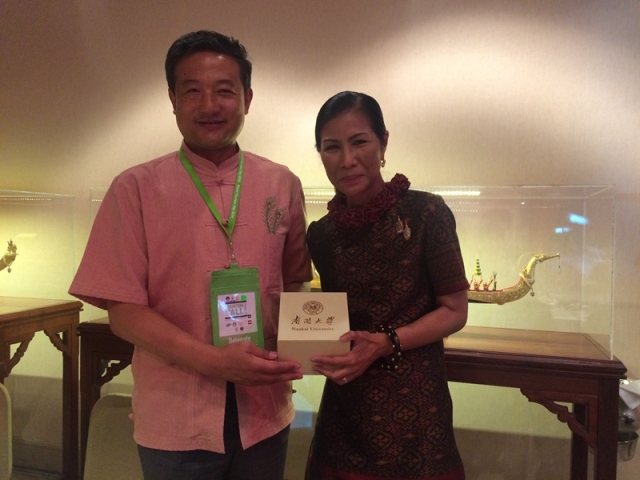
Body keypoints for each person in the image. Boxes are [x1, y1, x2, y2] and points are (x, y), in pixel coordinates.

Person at [69, 30, 312, 480]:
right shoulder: (135, 188)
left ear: (247, 98)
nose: (209, 105)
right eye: (193, 91)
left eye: (225, 90)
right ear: (173, 99)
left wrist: (315, 346)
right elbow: (123, 311)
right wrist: (214, 361)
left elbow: (295, 281)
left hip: (264, 409)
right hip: (175, 413)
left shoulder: (282, 184)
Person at [305, 91, 469, 480]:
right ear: (321, 154)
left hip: (417, 408)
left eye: (359, 142)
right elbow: (327, 321)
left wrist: (384, 342)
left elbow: (455, 310)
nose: (347, 159)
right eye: (332, 147)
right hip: (346, 407)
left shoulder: (427, 213)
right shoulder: (321, 234)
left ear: (383, 143)